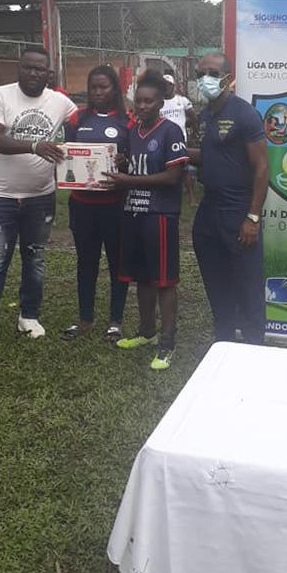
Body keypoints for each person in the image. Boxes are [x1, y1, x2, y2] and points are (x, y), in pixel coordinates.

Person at [0, 47, 77, 353]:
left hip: (40, 197)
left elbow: (86, 120)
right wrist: (34, 146)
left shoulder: (60, 102)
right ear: (19, 68)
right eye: (28, 67)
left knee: (35, 259)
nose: (33, 73)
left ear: (49, 73)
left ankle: (28, 317)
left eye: (40, 69)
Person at [105, 70, 188, 370]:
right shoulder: (132, 131)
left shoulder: (171, 132)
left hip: (159, 215)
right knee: (142, 277)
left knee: (164, 280)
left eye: (148, 101)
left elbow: (173, 176)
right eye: (138, 101)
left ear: (160, 103)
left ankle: (167, 342)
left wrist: (129, 179)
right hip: (133, 212)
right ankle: (147, 331)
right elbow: (134, 164)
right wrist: (122, 163)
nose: (142, 106)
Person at [190, 53, 269, 345]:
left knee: (248, 287)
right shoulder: (204, 116)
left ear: (227, 77)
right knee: (216, 284)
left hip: (238, 212)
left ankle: (255, 346)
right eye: (201, 74)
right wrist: (174, 152)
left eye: (213, 73)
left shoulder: (244, 114)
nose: (206, 79)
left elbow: (262, 167)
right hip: (209, 211)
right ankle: (223, 343)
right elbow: (210, 156)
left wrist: (253, 217)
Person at [62, 65, 131, 341]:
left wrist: (125, 161)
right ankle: (85, 319)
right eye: (94, 87)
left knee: (117, 263)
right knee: (86, 261)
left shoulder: (127, 120)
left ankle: (115, 320)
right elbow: (66, 152)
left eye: (104, 87)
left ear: (114, 89)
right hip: (82, 205)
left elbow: (135, 158)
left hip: (115, 205)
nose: (98, 92)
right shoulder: (77, 118)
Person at [161, 73, 198, 205]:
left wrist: (192, 134)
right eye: (163, 85)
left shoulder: (182, 100)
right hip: (163, 140)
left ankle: (192, 198)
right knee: (164, 169)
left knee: (184, 169)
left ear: (173, 86)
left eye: (169, 85)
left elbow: (194, 117)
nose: (166, 87)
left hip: (180, 141)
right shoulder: (159, 102)